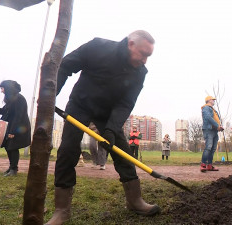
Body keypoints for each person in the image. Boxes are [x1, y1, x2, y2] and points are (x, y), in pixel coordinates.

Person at [46, 30, 159, 225]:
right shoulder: (98, 47)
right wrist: (50, 96)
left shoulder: (140, 72)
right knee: (68, 150)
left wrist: (111, 130)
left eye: (148, 56)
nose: (145, 60)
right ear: (130, 44)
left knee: (122, 152)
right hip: (80, 104)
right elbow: (65, 66)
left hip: (108, 113)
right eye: (143, 54)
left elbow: (126, 103)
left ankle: (135, 200)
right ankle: (61, 211)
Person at [0, 80, 31, 176]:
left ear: (8, 88)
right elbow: (2, 111)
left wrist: (13, 131)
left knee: (13, 147)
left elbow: (19, 115)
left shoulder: (19, 98)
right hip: (11, 125)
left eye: (2, 88)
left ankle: (13, 170)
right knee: (8, 147)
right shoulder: (12, 99)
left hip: (19, 126)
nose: (1, 91)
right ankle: (11, 168)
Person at [200, 96, 224, 172]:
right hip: (208, 130)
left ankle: (209, 165)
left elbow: (215, 119)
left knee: (213, 149)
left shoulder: (212, 109)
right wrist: (218, 125)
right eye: (213, 100)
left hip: (214, 130)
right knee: (208, 147)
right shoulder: (206, 108)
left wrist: (219, 126)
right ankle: (203, 165)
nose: (214, 101)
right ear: (209, 100)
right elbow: (208, 118)